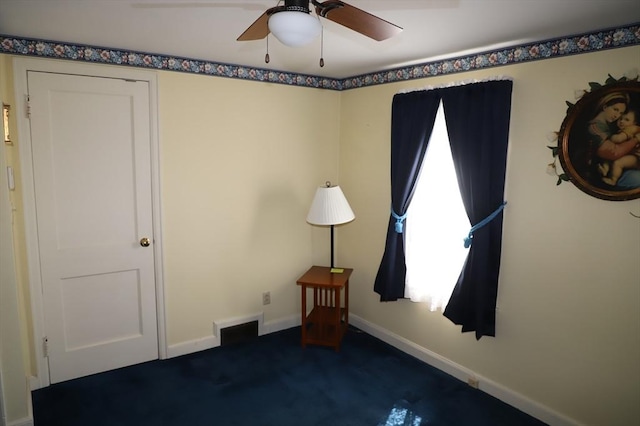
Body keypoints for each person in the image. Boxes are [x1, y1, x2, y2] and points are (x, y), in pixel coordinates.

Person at [598, 108, 640, 186]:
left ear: (634, 122)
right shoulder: (622, 129)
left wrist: (611, 138)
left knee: (618, 163)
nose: (621, 121)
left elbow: (618, 139)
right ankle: (605, 170)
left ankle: (613, 180)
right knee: (608, 158)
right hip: (627, 153)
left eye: (626, 120)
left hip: (636, 157)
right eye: (620, 119)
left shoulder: (632, 128)